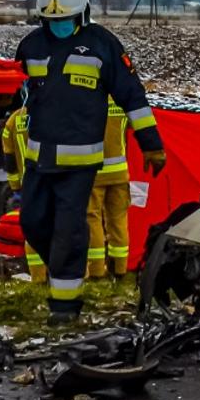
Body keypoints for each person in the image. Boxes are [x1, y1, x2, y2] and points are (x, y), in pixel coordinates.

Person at [14, 0, 166, 323]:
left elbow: (133, 98)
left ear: (81, 15)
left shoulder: (103, 45)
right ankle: (62, 267)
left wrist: (151, 145)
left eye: (65, 21)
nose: (58, 27)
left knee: (70, 228)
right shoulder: (32, 46)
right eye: (52, 22)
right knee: (33, 222)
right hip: (39, 158)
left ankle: (65, 307)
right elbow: (21, 88)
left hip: (81, 162)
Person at [0, 82, 46, 282]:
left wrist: (16, 187)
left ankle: (38, 277)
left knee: (33, 233)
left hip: (29, 186)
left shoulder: (14, 121)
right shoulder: (55, 116)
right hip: (55, 181)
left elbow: (9, 160)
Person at [86, 99, 132, 281]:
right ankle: (119, 270)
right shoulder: (122, 101)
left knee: (92, 219)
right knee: (119, 221)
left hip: (93, 172)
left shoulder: (87, 98)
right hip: (120, 173)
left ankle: (96, 272)